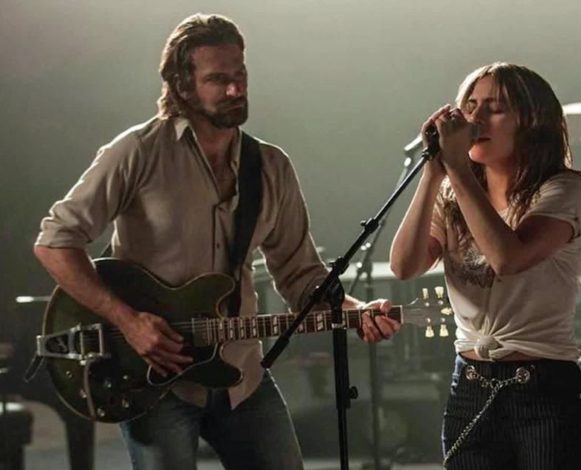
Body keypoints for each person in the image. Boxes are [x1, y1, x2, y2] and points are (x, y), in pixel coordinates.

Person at [33, 13, 399, 470]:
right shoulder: (137, 152)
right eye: (218, 80)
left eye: (240, 75)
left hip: (242, 376)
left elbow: (300, 274)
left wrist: (355, 312)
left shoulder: (271, 166)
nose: (235, 89)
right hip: (154, 380)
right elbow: (54, 243)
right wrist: (128, 321)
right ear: (183, 86)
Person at [390, 62, 581, 469]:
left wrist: (457, 170)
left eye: (496, 108)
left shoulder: (563, 189)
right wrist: (432, 176)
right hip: (469, 384)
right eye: (470, 106)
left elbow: (508, 258)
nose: (477, 118)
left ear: (531, 121)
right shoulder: (452, 192)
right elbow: (404, 266)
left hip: (543, 388)